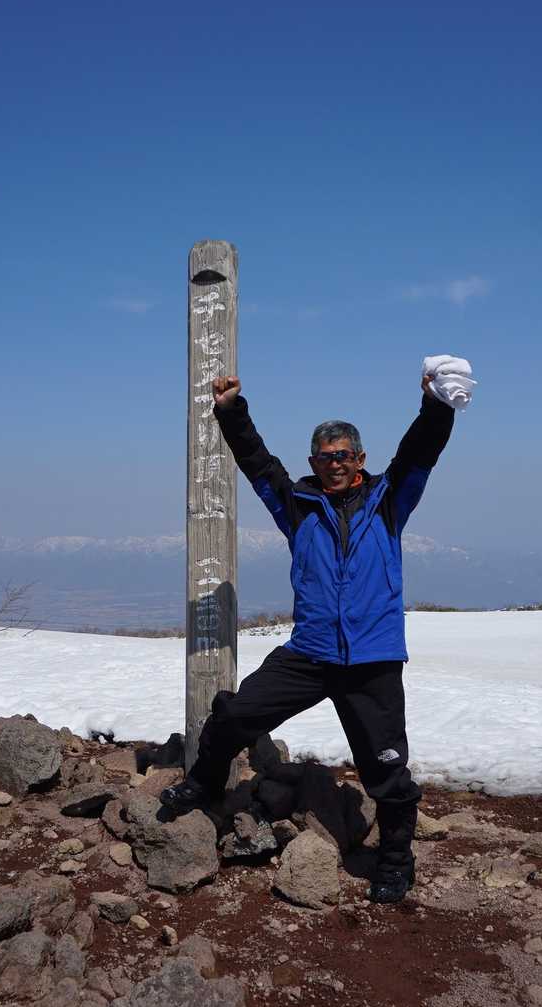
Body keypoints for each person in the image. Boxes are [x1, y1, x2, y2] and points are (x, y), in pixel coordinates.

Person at [162, 370, 457, 904]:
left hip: (372, 661)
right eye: (324, 458)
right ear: (313, 463)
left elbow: (420, 453)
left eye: (343, 455)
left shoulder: (389, 500)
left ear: (360, 459)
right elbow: (258, 463)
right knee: (233, 715)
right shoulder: (297, 506)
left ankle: (396, 861)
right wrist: (231, 410)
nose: (334, 464)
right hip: (311, 654)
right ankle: (203, 783)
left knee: (387, 771)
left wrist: (437, 406)